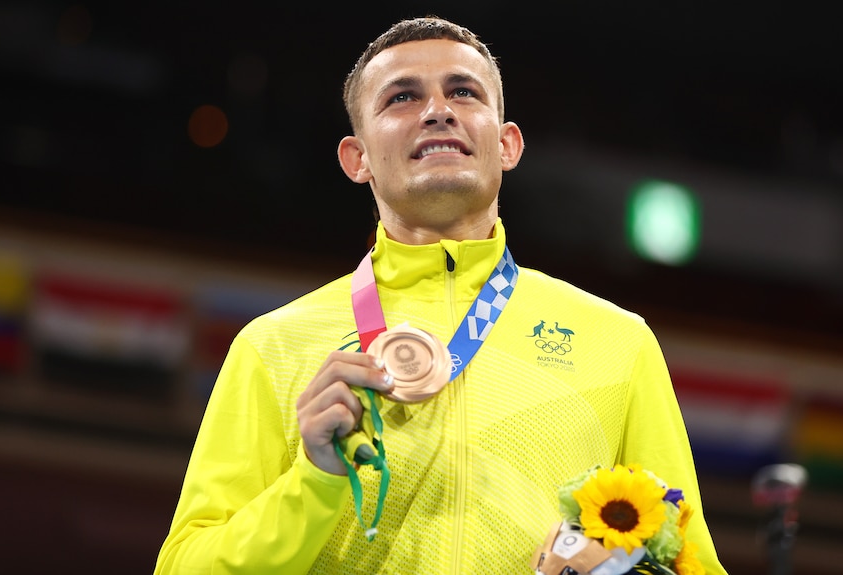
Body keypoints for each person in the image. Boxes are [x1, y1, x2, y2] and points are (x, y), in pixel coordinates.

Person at [154, 16, 728, 575]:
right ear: (357, 160)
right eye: (402, 97)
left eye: (463, 91)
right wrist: (314, 479)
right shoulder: (272, 346)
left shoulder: (618, 343)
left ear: (506, 145)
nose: (437, 110)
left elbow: (688, 561)